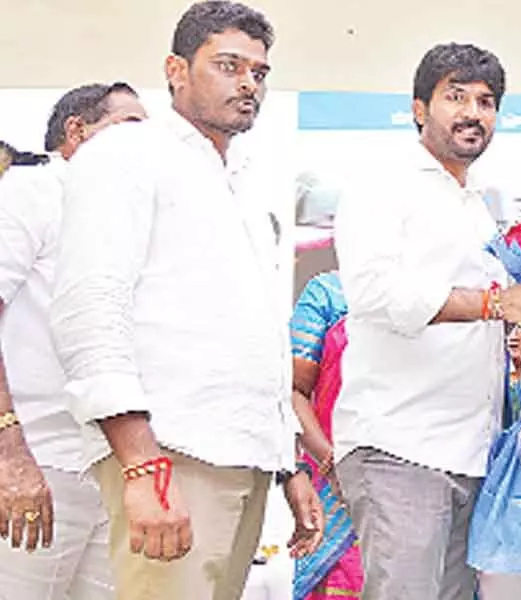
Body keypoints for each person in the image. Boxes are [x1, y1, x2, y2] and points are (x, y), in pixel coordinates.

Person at [48, 3, 322, 599]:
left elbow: (257, 336)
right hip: (171, 451)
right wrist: (141, 464)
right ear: (176, 69)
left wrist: (288, 464)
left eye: (259, 72)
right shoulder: (126, 154)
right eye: (229, 65)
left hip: (243, 455)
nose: (249, 84)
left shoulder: (242, 179)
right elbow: (90, 308)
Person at [333, 42, 521, 600]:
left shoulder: (475, 207)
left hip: (470, 449)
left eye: (486, 100)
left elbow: (475, 305)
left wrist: (509, 333)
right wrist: (496, 306)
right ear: (419, 108)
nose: (473, 112)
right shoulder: (383, 184)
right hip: (400, 444)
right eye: (456, 97)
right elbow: (377, 294)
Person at [0, 82, 146, 600]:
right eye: (128, 125)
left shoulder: (125, 215)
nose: (143, 142)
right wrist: (8, 451)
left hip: (108, 466)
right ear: (76, 131)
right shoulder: (30, 192)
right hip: (35, 462)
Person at [289, 272, 362, 600]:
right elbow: (293, 391)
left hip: (419, 483)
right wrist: (332, 463)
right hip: (336, 490)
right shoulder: (330, 293)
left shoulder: (451, 293)